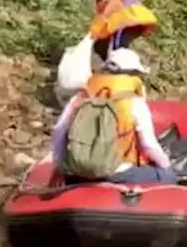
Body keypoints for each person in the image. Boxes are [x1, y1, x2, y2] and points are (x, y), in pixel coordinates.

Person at [50, 49, 176, 184]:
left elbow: (59, 131)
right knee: (168, 176)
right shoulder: (134, 102)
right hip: (117, 173)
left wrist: (60, 167)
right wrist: (166, 166)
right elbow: (149, 146)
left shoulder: (81, 96)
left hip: (77, 172)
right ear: (133, 74)